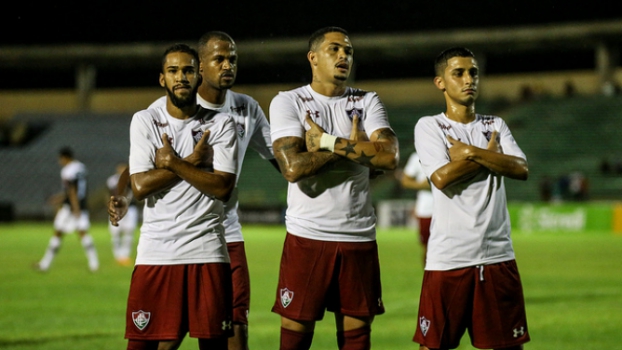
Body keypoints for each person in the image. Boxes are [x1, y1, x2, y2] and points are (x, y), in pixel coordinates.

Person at [110, 30, 278, 350]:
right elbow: (138, 175)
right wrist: (125, 193)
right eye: (219, 59)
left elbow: (277, 162)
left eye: (232, 59)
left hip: (220, 237)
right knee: (164, 339)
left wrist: (328, 159)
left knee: (234, 330)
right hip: (162, 246)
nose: (227, 65)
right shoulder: (154, 115)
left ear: (196, 73)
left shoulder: (242, 111)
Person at [269, 26, 399, 350]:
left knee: (357, 341)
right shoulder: (289, 101)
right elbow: (293, 168)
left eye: (349, 51)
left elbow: (390, 157)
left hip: (358, 237)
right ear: (313, 58)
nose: (344, 56)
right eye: (335, 49)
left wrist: (326, 143)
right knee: (294, 341)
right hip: (308, 236)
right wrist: (355, 151)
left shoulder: (366, 100)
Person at [412, 47, 530, 350]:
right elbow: (441, 178)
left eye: (473, 72)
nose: (469, 79)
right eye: (459, 73)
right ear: (440, 82)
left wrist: (471, 153)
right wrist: (491, 157)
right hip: (449, 258)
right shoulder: (430, 126)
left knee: (508, 346)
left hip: (498, 256)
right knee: (434, 346)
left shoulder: (495, 124)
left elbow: (521, 168)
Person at [124, 43, 238, 350]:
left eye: (188, 70)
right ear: (162, 79)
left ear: (199, 76)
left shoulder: (222, 123)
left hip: (207, 252)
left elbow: (223, 188)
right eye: (173, 71)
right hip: (156, 253)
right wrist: (192, 162)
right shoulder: (145, 121)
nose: (181, 77)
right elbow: (139, 187)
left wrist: (173, 162)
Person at [34, 146, 99, 272]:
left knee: (59, 232)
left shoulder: (67, 171)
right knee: (81, 233)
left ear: (65, 157)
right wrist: (58, 199)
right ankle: (94, 264)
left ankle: (45, 265)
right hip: (81, 204)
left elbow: (71, 190)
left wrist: (74, 208)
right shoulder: (81, 167)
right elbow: (76, 189)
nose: (59, 162)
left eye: (60, 159)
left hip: (71, 207)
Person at [399, 152, 433, 267]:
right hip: (427, 210)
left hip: (451, 209)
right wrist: (424, 185)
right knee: (428, 248)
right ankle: (430, 280)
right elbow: (405, 180)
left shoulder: (452, 152)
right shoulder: (417, 156)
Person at [106, 162, 138, 266]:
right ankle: (117, 256)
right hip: (116, 208)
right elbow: (108, 194)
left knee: (129, 232)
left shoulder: (132, 179)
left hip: (130, 208)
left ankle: (125, 256)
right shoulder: (112, 180)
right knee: (115, 233)